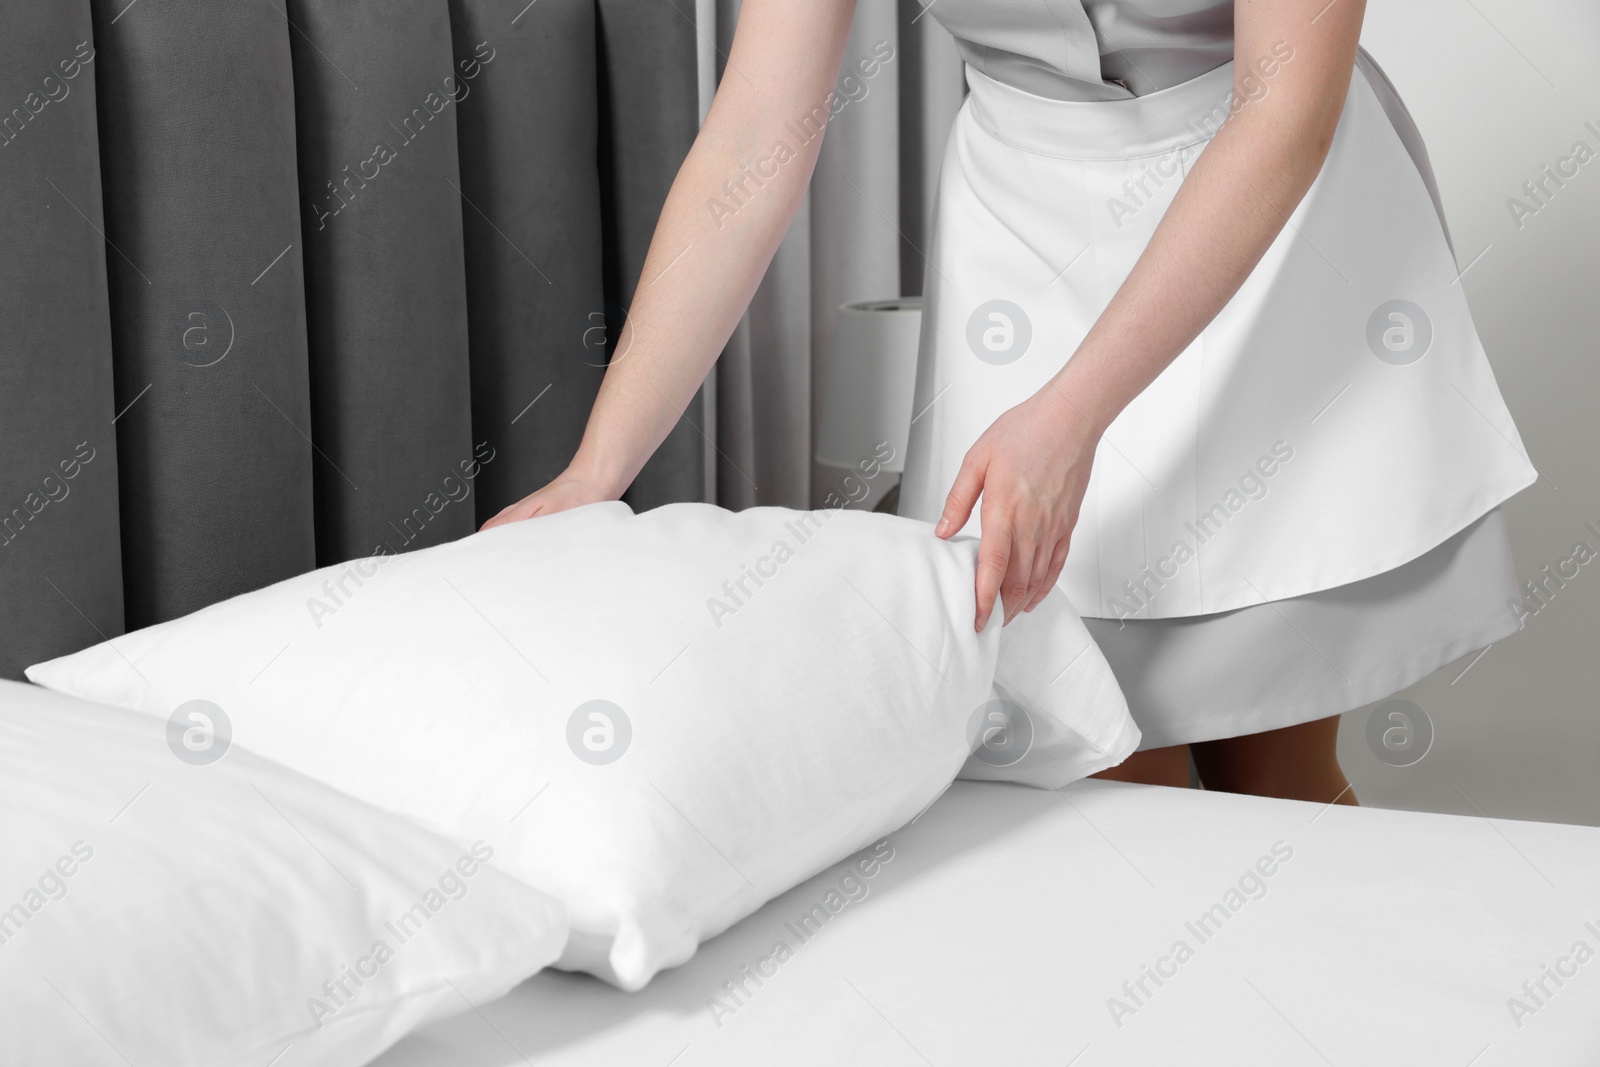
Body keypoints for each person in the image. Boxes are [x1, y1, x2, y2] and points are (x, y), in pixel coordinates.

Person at [483, 0, 1537, 803]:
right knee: (1096, 775)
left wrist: (1069, 416)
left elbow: (1286, 109)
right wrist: (597, 467)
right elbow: (751, 145)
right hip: (1032, 241)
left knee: (1278, 771)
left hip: (1271, 232)